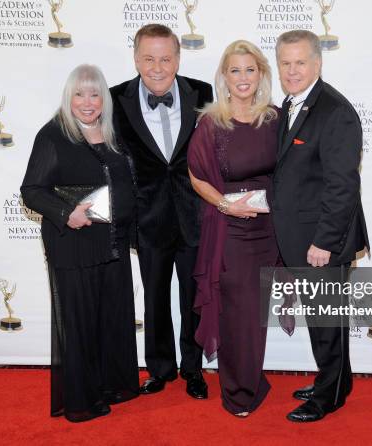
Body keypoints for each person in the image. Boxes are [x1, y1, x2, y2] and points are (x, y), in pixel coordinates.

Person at [21, 64, 139, 422]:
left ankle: (108, 386)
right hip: (73, 245)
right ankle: (81, 400)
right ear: (68, 96)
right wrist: (65, 212)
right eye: (79, 94)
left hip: (113, 244)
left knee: (111, 319)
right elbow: (31, 191)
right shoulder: (54, 135)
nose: (88, 102)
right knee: (80, 322)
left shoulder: (112, 132)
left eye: (95, 94)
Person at [110, 24, 213, 399]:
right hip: (146, 218)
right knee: (153, 298)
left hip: (194, 215)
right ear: (136, 58)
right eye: (149, 58)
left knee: (193, 298)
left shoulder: (202, 92)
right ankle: (159, 369)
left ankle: (193, 369)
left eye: (166, 58)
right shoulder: (114, 98)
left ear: (178, 59)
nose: (157, 67)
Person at [273, 30, 369, 422]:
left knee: (328, 322)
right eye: (285, 63)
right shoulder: (292, 104)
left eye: (300, 62)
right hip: (302, 236)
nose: (292, 70)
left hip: (322, 241)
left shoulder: (335, 111)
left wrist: (324, 242)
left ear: (317, 63)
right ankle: (337, 381)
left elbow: (342, 184)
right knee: (322, 319)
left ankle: (328, 397)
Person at [187, 40, 279, 416]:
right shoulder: (212, 122)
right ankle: (238, 391)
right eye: (235, 70)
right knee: (235, 311)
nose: (243, 78)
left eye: (250, 69)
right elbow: (196, 177)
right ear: (224, 76)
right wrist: (227, 204)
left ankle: (252, 377)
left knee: (256, 312)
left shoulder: (275, 118)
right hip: (231, 233)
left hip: (269, 231)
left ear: (261, 74)